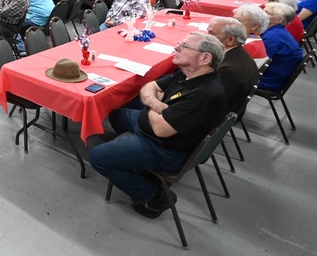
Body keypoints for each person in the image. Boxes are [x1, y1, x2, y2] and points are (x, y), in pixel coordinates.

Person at [89, 32, 228, 218]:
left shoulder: (204, 93)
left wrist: (151, 104)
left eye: (184, 46)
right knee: (117, 115)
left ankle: (152, 196)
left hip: (165, 149)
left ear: (205, 58)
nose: (176, 48)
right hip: (151, 129)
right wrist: (156, 104)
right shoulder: (188, 74)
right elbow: (149, 86)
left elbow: (161, 129)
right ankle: (135, 164)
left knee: (97, 157)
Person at [208, 17, 260, 116]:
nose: (205, 37)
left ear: (230, 40)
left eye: (212, 34)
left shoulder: (228, 70)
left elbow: (210, 102)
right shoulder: (239, 55)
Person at [258, 3, 305, 92]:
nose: (261, 14)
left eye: (266, 12)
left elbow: (258, 62)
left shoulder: (272, 37)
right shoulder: (278, 32)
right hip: (275, 76)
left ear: (279, 19)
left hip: (268, 80)